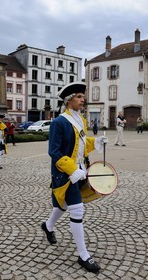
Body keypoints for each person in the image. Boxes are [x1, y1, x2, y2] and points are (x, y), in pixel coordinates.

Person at [41, 82, 108, 273]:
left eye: (82, 96)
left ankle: (47, 226)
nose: (82, 99)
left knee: (63, 205)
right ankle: (83, 255)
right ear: (69, 101)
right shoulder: (59, 122)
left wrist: (96, 142)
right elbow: (53, 151)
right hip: (66, 173)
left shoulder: (81, 120)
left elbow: (80, 143)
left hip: (80, 170)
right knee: (77, 211)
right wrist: (71, 170)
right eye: (79, 96)